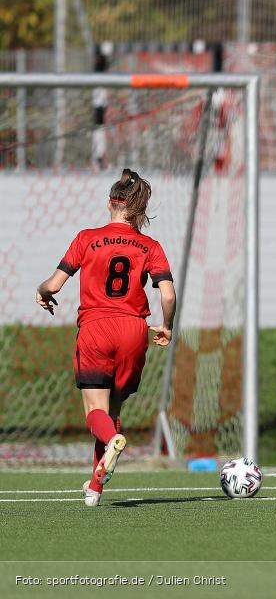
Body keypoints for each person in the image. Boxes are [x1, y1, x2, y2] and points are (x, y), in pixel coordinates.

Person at [36, 169, 177, 507]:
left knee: (95, 412)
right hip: (133, 331)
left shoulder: (87, 238)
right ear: (140, 210)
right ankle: (95, 488)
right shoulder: (150, 245)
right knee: (112, 408)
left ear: (109, 203)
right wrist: (167, 326)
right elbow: (168, 295)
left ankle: (113, 440)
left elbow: (54, 284)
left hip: (96, 329)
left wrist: (42, 292)